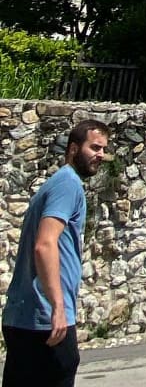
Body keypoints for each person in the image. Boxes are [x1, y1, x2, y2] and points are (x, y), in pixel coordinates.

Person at [2, 118, 109, 387]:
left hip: (26, 318)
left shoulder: (57, 183)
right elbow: (45, 244)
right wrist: (58, 307)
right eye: (94, 148)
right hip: (45, 320)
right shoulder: (67, 184)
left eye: (103, 149)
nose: (101, 156)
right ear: (73, 149)